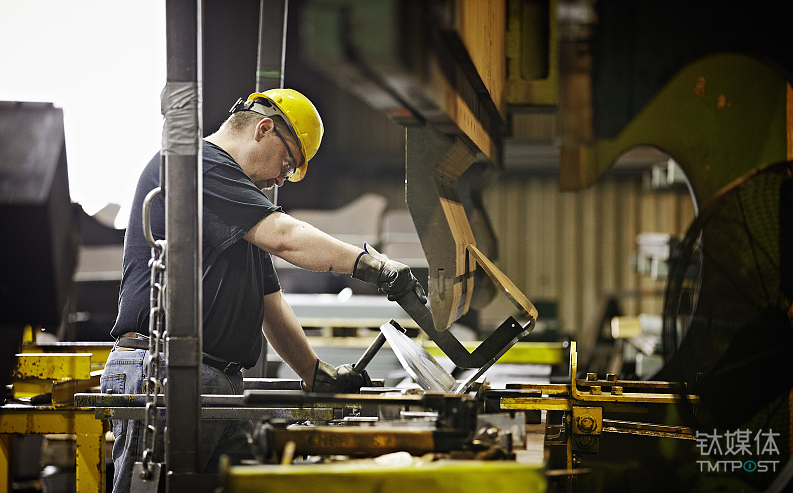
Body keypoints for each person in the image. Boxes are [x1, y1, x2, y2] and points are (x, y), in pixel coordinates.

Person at [100, 89, 426, 492]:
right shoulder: (197, 165)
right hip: (164, 374)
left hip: (212, 380)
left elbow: (269, 303)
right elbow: (287, 238)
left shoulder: (238, 205)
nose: (280, 179)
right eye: (288, 164)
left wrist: (314, 373)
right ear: (264, 129)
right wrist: (375, 268)